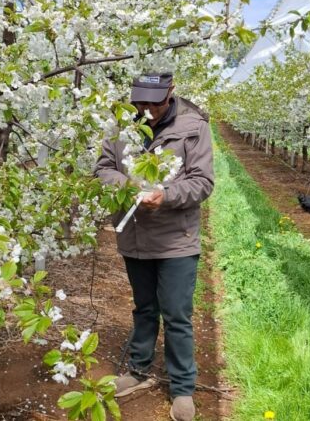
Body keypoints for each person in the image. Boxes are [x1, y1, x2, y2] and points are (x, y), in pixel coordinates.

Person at [93, 72, 214, 421]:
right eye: (140, 103)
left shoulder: (194, 125)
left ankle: (182, 388)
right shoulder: (119, 125)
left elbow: (203, 182)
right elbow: (103, 169)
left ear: (171, 93)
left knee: (176, 314)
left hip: (177, 238)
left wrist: (167, 196)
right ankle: (138, 370)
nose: (147, 110)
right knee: (144, 308)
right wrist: (127, 185)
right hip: (135, 236)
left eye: (155, 103)